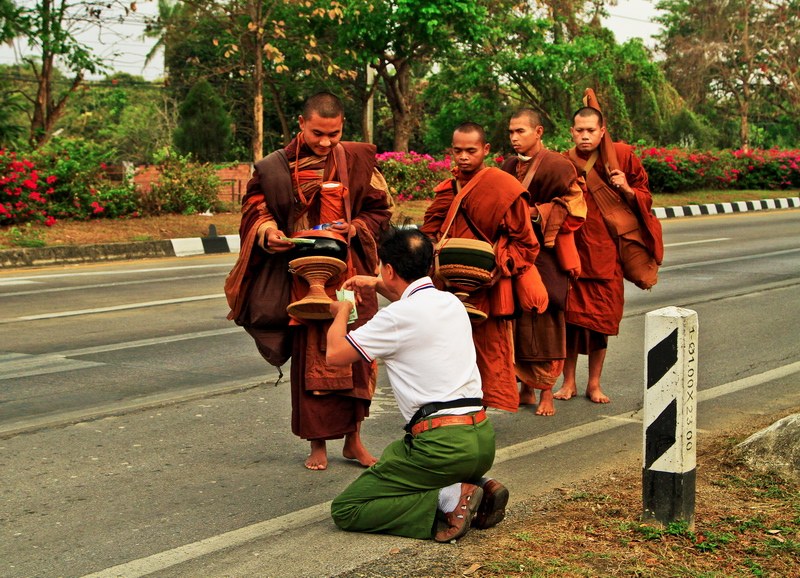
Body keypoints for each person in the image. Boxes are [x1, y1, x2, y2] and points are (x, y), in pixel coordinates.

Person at [224, 92, 392, 469]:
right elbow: (255, 210)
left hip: (348, 273)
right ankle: (317, 445)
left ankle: (354, 440)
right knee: (310, 361)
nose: (326, 142)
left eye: (333, 133)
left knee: (358, 357)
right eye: (318, 133)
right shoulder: (274, 168)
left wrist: (356, 226)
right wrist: (268, 232)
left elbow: (379, 209)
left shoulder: (357, 159)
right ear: (302, 124)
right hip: (302, 274)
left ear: (342, 127)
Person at [327, 227, 508, 542]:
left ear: (389, 269)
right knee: (416, 467)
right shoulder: (452, 303)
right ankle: (479, 483)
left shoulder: (395, 318)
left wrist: (341, 313)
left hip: (440, 448)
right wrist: (378, 284)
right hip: (481, 439)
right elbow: (414, 303)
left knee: (347, 508)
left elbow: (336, 354)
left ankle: (450, 496)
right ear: (430, 266)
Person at [420, 123, 547, 413]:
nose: (463, 157)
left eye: (471, 150)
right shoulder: (446, 190)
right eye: (457, 151)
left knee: (486, 353)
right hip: (447, 287)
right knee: (444, 353)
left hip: (486, 288)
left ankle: (479, 414)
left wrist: (501, 267)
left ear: (486, 150)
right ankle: (448, 412)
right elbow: (430, 231)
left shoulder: (504, 188)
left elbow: (526, 243)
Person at [555, 106, 660, 403]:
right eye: (579, 130)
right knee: (570, 323)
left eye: (591, 130)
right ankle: (569, 382)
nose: (585, 135)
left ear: (603, 131)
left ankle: (595, 384)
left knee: (601, 323)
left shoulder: (622, 156)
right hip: (573, 253)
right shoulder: (564, 162)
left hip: (607, 254)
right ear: (572, 131)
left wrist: (626, 188)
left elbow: (646, 196)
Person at [501, 109, 586, 416]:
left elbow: (575, 205)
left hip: (545, 253)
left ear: (538, 132)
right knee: (516, 319)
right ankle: (524, 389)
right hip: (514, 252)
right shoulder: (509, 166)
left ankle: (546, 392)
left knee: (545, 315)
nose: (514, 137)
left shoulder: (557, 165)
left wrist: (538, 213)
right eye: (511, 132)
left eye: (520, 131)